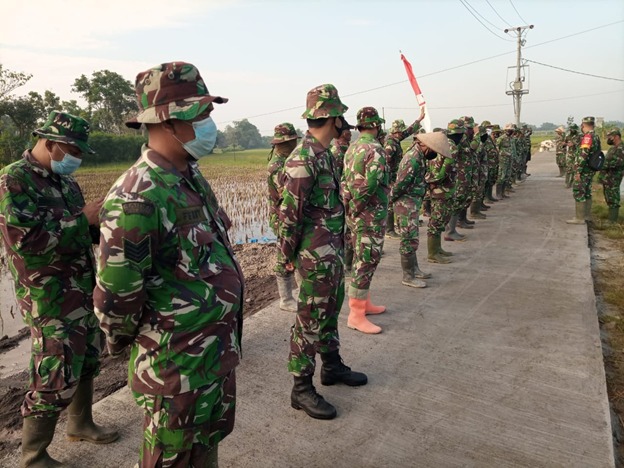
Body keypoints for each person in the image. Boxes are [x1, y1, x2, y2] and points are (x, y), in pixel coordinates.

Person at [93, 62, 243, 467]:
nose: (210, 123)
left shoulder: (188, 176)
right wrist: (128, 342)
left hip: (211, 357)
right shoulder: (137, 197)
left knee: (205, 449)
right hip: (174, 369)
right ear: (167, 121)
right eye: (201, 114)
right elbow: (116, 298)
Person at [0, 111, 119, 467]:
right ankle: (33, 456)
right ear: (49, 143)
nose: (77, 158)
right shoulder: (13, 180)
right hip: (48, 294)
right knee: (55, 367)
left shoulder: (66, 183)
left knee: (87, 359)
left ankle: (80, 423)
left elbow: (80, 232)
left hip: (81, 286)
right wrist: (84, 219)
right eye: (72, 149)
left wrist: (106, 223)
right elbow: (26, 242)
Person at [278, 84, 367, 420]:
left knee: (330, 310)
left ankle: (331, 367)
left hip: (331, 251)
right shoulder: (303, 158)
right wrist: (285, 256)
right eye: (341, 115)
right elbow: (289, 215)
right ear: (332, 117)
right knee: (310, 319)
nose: (345, 121)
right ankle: (301, 388)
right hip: (314, 256)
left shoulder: (325, 153)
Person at [342, 107, 389, 333]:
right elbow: (371, 183)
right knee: (367, 260)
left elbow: (344, 180)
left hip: (356, 215)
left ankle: (365, 303)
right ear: (376, 126)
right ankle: (356, 314)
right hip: (370, 215)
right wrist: (359, 206)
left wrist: (350, 206)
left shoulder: (352, 148)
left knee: (362, 258)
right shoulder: (376, 150)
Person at [392, 132, 450, 287]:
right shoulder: (413, 159)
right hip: (405, 205)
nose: (434, 153)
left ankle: (415, 269)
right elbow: (400, 185)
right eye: (433, 149)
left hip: (412, 202)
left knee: (412, 237)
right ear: (424, 145)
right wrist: (389, 202)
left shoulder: (420, 157)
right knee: (408, 240)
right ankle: (408, 276)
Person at [267, 123, 300, 312]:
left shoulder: (285, 161)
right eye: (292, 141)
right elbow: (288, 195)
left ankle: (298, 294)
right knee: (284, 255)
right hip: (282, 218)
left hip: (285, 216)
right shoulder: (278, 166)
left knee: (292, 253)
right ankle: (286, 299)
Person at [383, 109, 425, 238]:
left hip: (394, 176)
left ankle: (394, 225)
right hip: (389, 177)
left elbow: (408, 132)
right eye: (401, 131)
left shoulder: (396, 140)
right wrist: (389, 180)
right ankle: (389, 229)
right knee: (390, 203)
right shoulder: (390, 144)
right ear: (397, 132)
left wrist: (419, 120)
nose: (403, 133)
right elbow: (385, 163)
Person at [427, 123, 459, 263]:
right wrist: (437, 179)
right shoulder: (449, 145)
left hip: (441, 188)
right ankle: (432, 253)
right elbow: (447, 165)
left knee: (440, 220)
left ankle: (437, 249)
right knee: (437, 221)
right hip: (442, 188)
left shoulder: (438, 144)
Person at [566, 116, 601, 225]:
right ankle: (587, 215)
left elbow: (583, 155)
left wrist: (578, 171)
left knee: (579, 192)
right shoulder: (596, 137)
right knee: (587, 192)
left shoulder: (588, 137)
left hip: (584, 170)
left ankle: (579, 218)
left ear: (583, 125)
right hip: (590, 169)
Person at [599, 128, 623, 223]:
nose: (609, 138)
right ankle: (610, 218)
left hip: (614, 177)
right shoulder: (613, 148)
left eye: (610, 137)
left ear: (616, 137)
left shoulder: (621, 148)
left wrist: (603, 166)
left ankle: (612, 221)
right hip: (608, 177)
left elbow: (618, 163)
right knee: (609, 197)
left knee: (613, 197)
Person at [565, 124, 581, 189]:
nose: (571, 130)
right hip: (570, 155)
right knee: (568, 169)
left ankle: (572, 183)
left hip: (577, 155)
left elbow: (579, 144)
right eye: (571, 129)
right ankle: (567, 183)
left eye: (572, 129)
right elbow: (565, 143)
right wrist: (566, 144)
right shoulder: (568, 136)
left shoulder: (579, 136)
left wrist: (573, 143)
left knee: (575, 170)